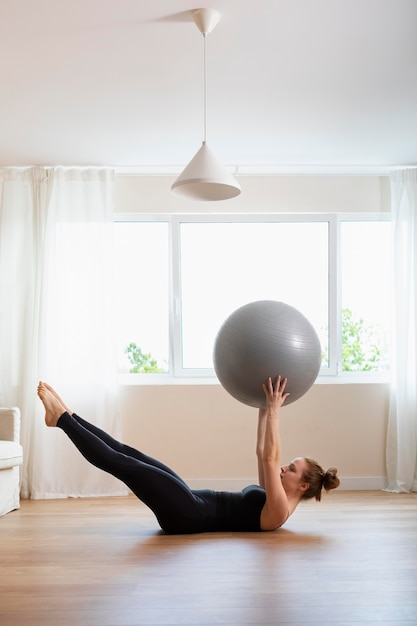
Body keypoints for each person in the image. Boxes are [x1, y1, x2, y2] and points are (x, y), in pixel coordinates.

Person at [37, 376, 340, 535]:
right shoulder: (276, 494)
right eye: (290, 465)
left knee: (125, 465)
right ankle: (69, 415)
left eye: (292, 469)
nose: (285, 467)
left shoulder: (279, 511)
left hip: (188, 513)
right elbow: (263, 454)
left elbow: (272, 458)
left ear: (302, 486)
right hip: (190, 500)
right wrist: (262, 407)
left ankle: (61, 418)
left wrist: (275, 411)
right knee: (130, 454)